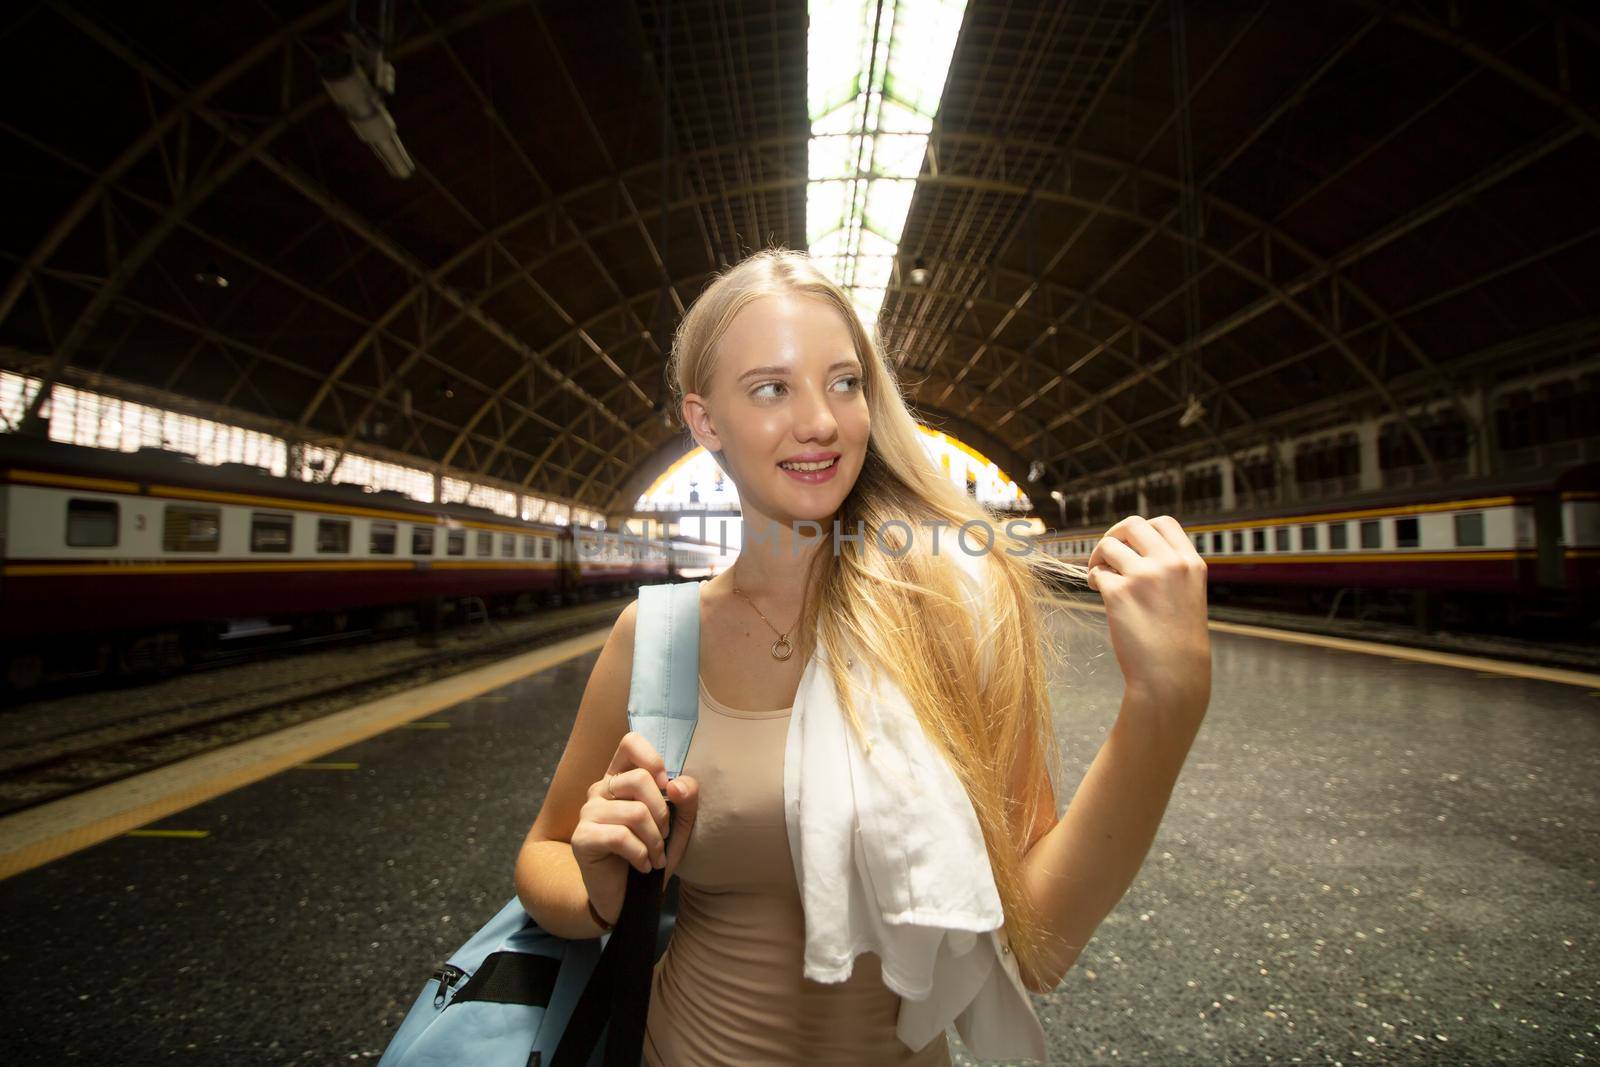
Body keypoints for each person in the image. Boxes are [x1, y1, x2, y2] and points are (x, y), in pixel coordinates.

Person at [513, 248, 1213, 1065]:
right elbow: (542, 853)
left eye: (845, 382)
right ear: (705, 422)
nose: (821, 420)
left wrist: (1164, 707)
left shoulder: (952, 618)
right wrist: (602, 892)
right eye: (772, 388)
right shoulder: (658, 637)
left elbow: (1039, 946)